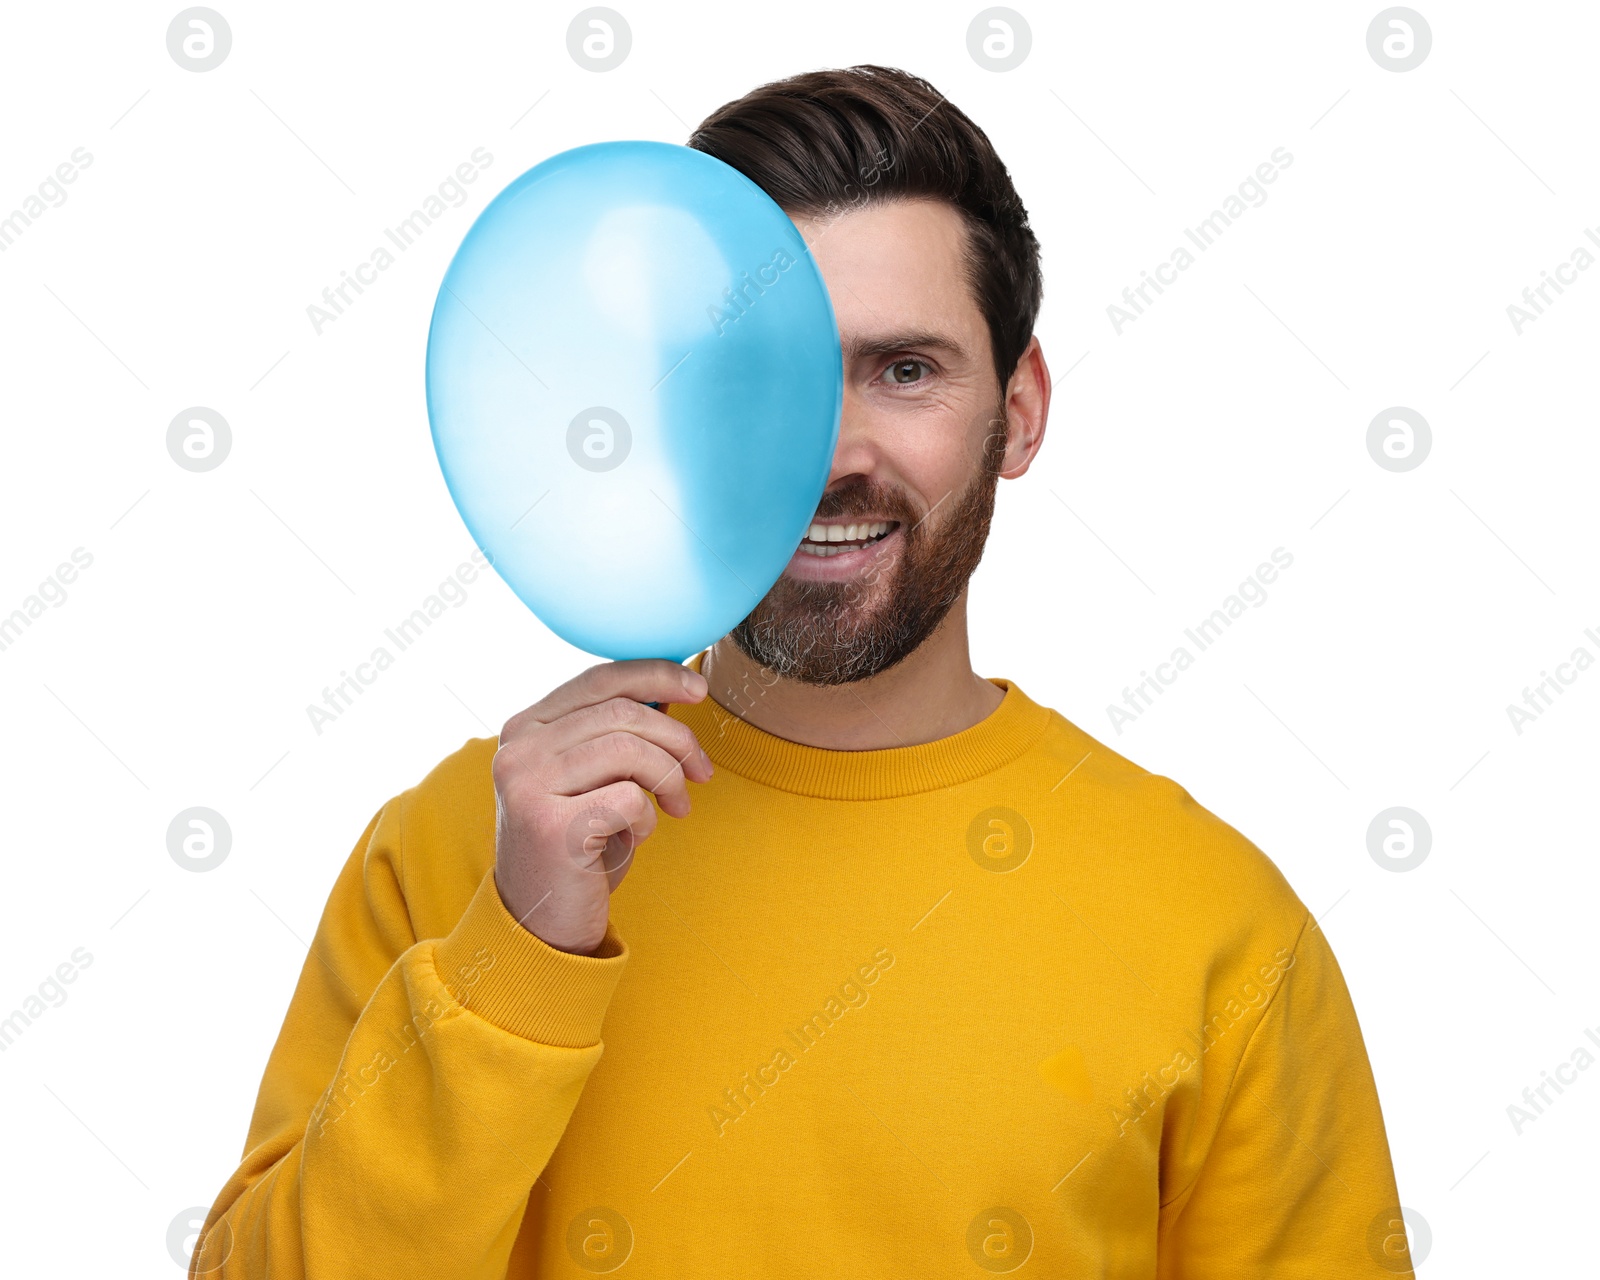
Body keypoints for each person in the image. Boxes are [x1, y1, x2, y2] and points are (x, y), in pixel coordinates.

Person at [193, 65, 1413, 1278]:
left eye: (904, 370)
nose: (829, 454)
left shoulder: (1221, 926)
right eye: (757, 373)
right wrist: (517, 953)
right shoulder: (466, 844)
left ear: (1021, 410)